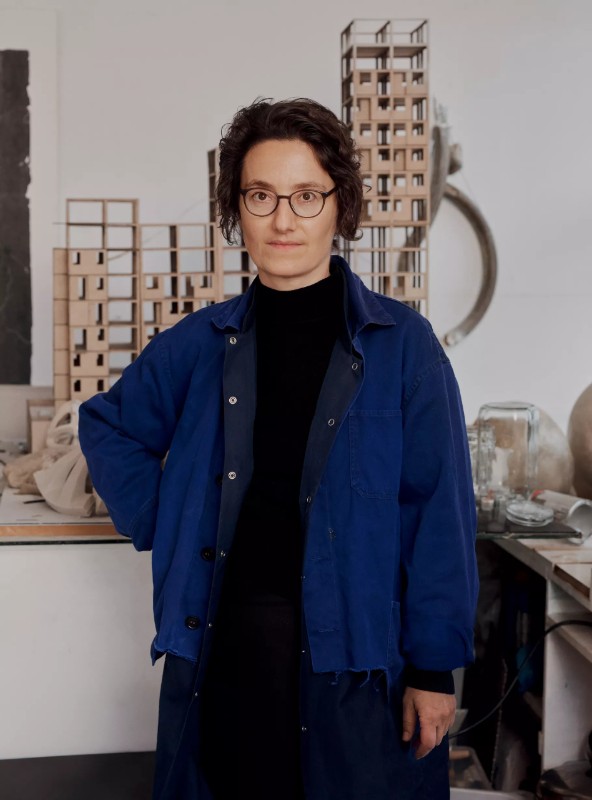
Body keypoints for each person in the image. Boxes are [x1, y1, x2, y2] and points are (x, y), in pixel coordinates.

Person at [79, 97, 478, 800]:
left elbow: (438, 514)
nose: (283, 220)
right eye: (261, 196)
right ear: (238, 208)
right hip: (226, 648)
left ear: (339, 204)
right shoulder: (198, 344)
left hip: (355, 661)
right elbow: (107, 426)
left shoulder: (403, 347)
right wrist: (168, 518)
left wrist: (432, 669)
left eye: (306, 196)